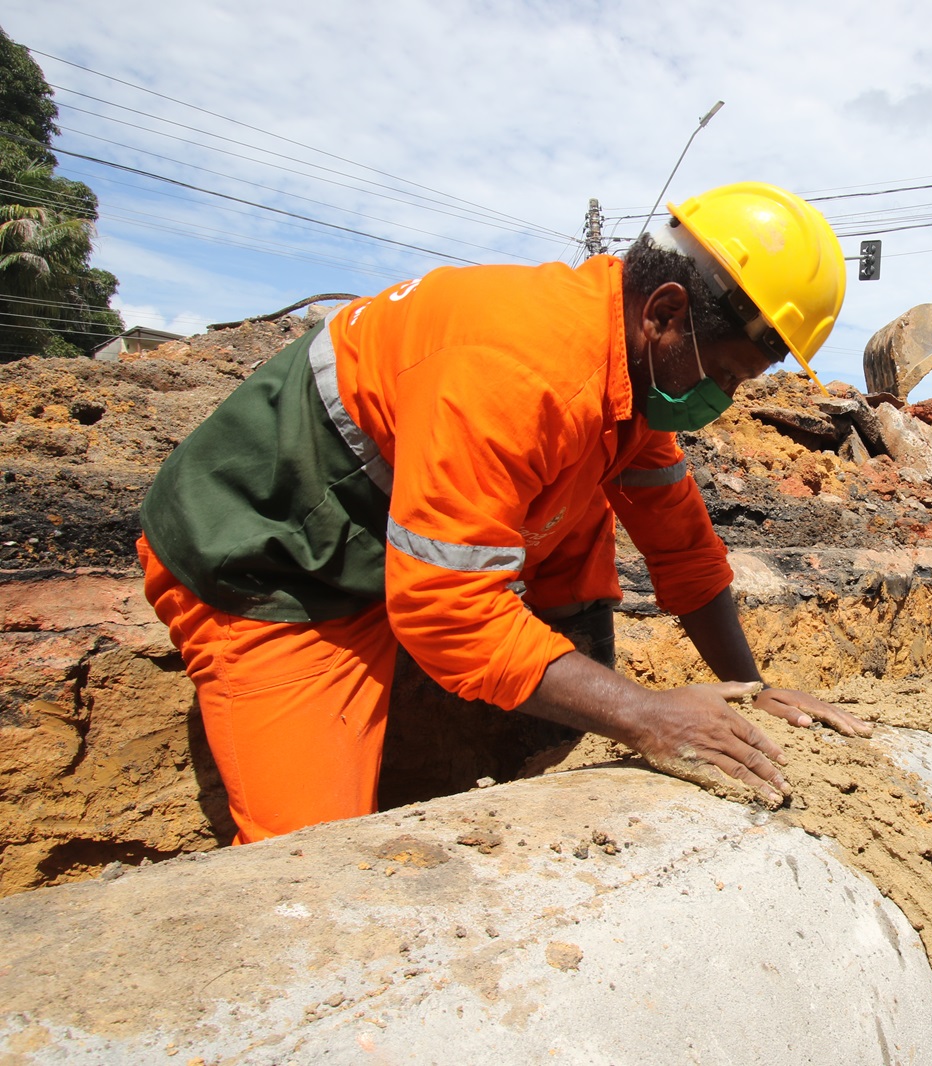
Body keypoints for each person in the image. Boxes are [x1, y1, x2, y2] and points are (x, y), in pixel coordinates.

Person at [137, 181, 871, 844]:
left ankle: (499, 725)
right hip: (275, 555)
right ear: (666, 313)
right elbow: (446, 608)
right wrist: (646, 715)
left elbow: (682, 547)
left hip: (401, 524)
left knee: (587, 496)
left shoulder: (626, 367)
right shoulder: (519, 370)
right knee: (313, 859)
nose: (724, 402)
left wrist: (754, 687)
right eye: (725, 375)